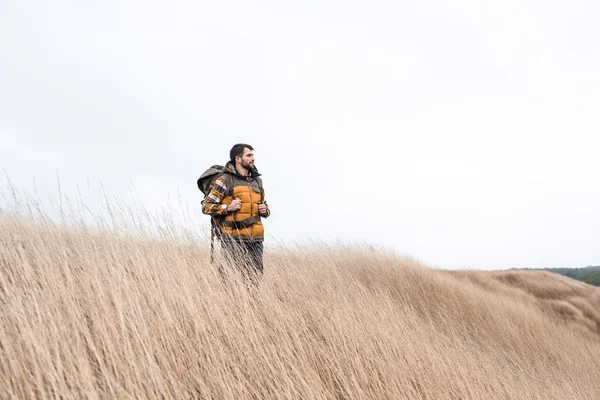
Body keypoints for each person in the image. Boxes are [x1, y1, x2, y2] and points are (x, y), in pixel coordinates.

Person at [201, 143, 271, 280]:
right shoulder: (224, 180)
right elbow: (206, 206)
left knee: (254, 280)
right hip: (233, 240)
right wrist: (227, 208)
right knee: (230, 280)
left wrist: (265, 210)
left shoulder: (257, 181)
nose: (253, 158)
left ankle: (251, 302)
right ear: (238, 159)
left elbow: (265, 206)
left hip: (256, 241)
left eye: (253, 155)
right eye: (249, 155)